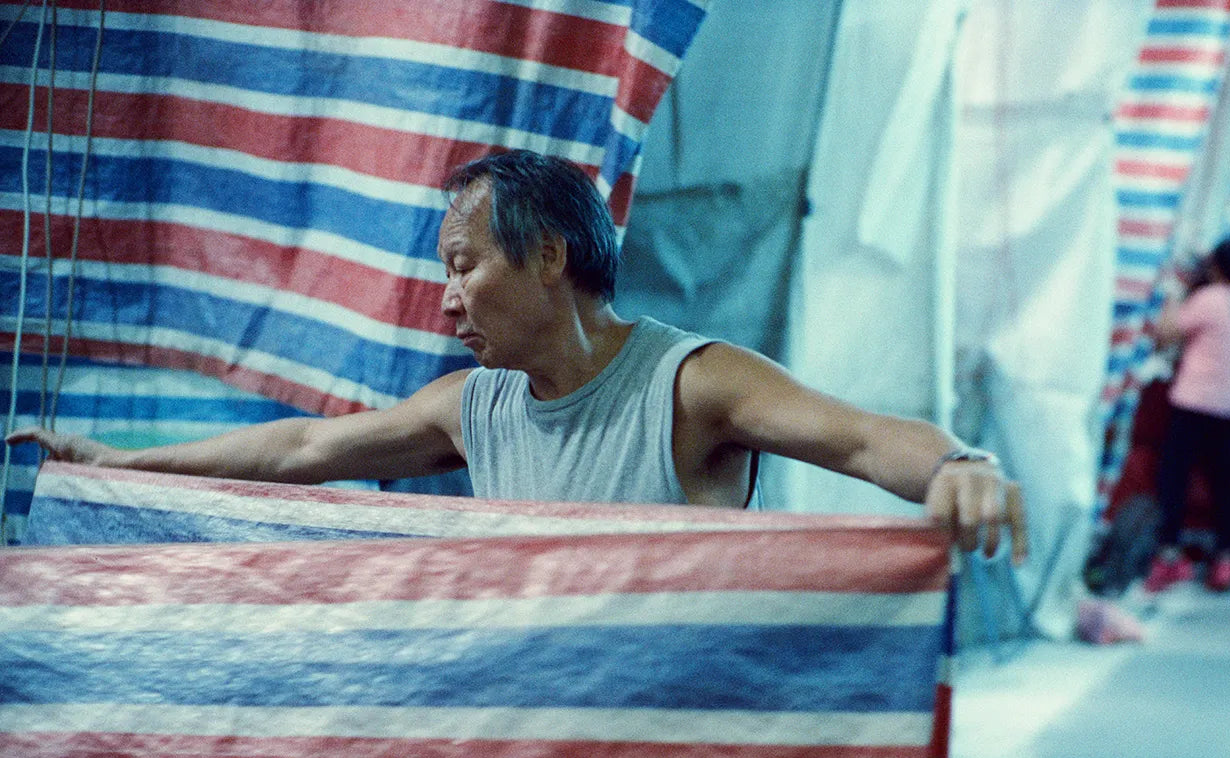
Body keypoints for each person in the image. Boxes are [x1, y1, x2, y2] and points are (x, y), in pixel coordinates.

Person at [5, 150, 1027, 560]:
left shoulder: (692, 382)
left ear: (547, 255)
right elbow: (305, 449)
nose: (446, 297)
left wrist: (960, 466)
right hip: (533, 730)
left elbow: (856, 439)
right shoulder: (472, 405)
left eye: (464, 265)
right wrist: (119, 466)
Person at [1142, 237, 1230, 593]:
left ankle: (1169, 553)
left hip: (1194, 403)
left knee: (1174, 479)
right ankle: (1226, 557)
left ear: (1214, 267)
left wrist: (1174, 291)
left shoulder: (1207, 301)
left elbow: (1166, 334)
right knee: (1227, 484)